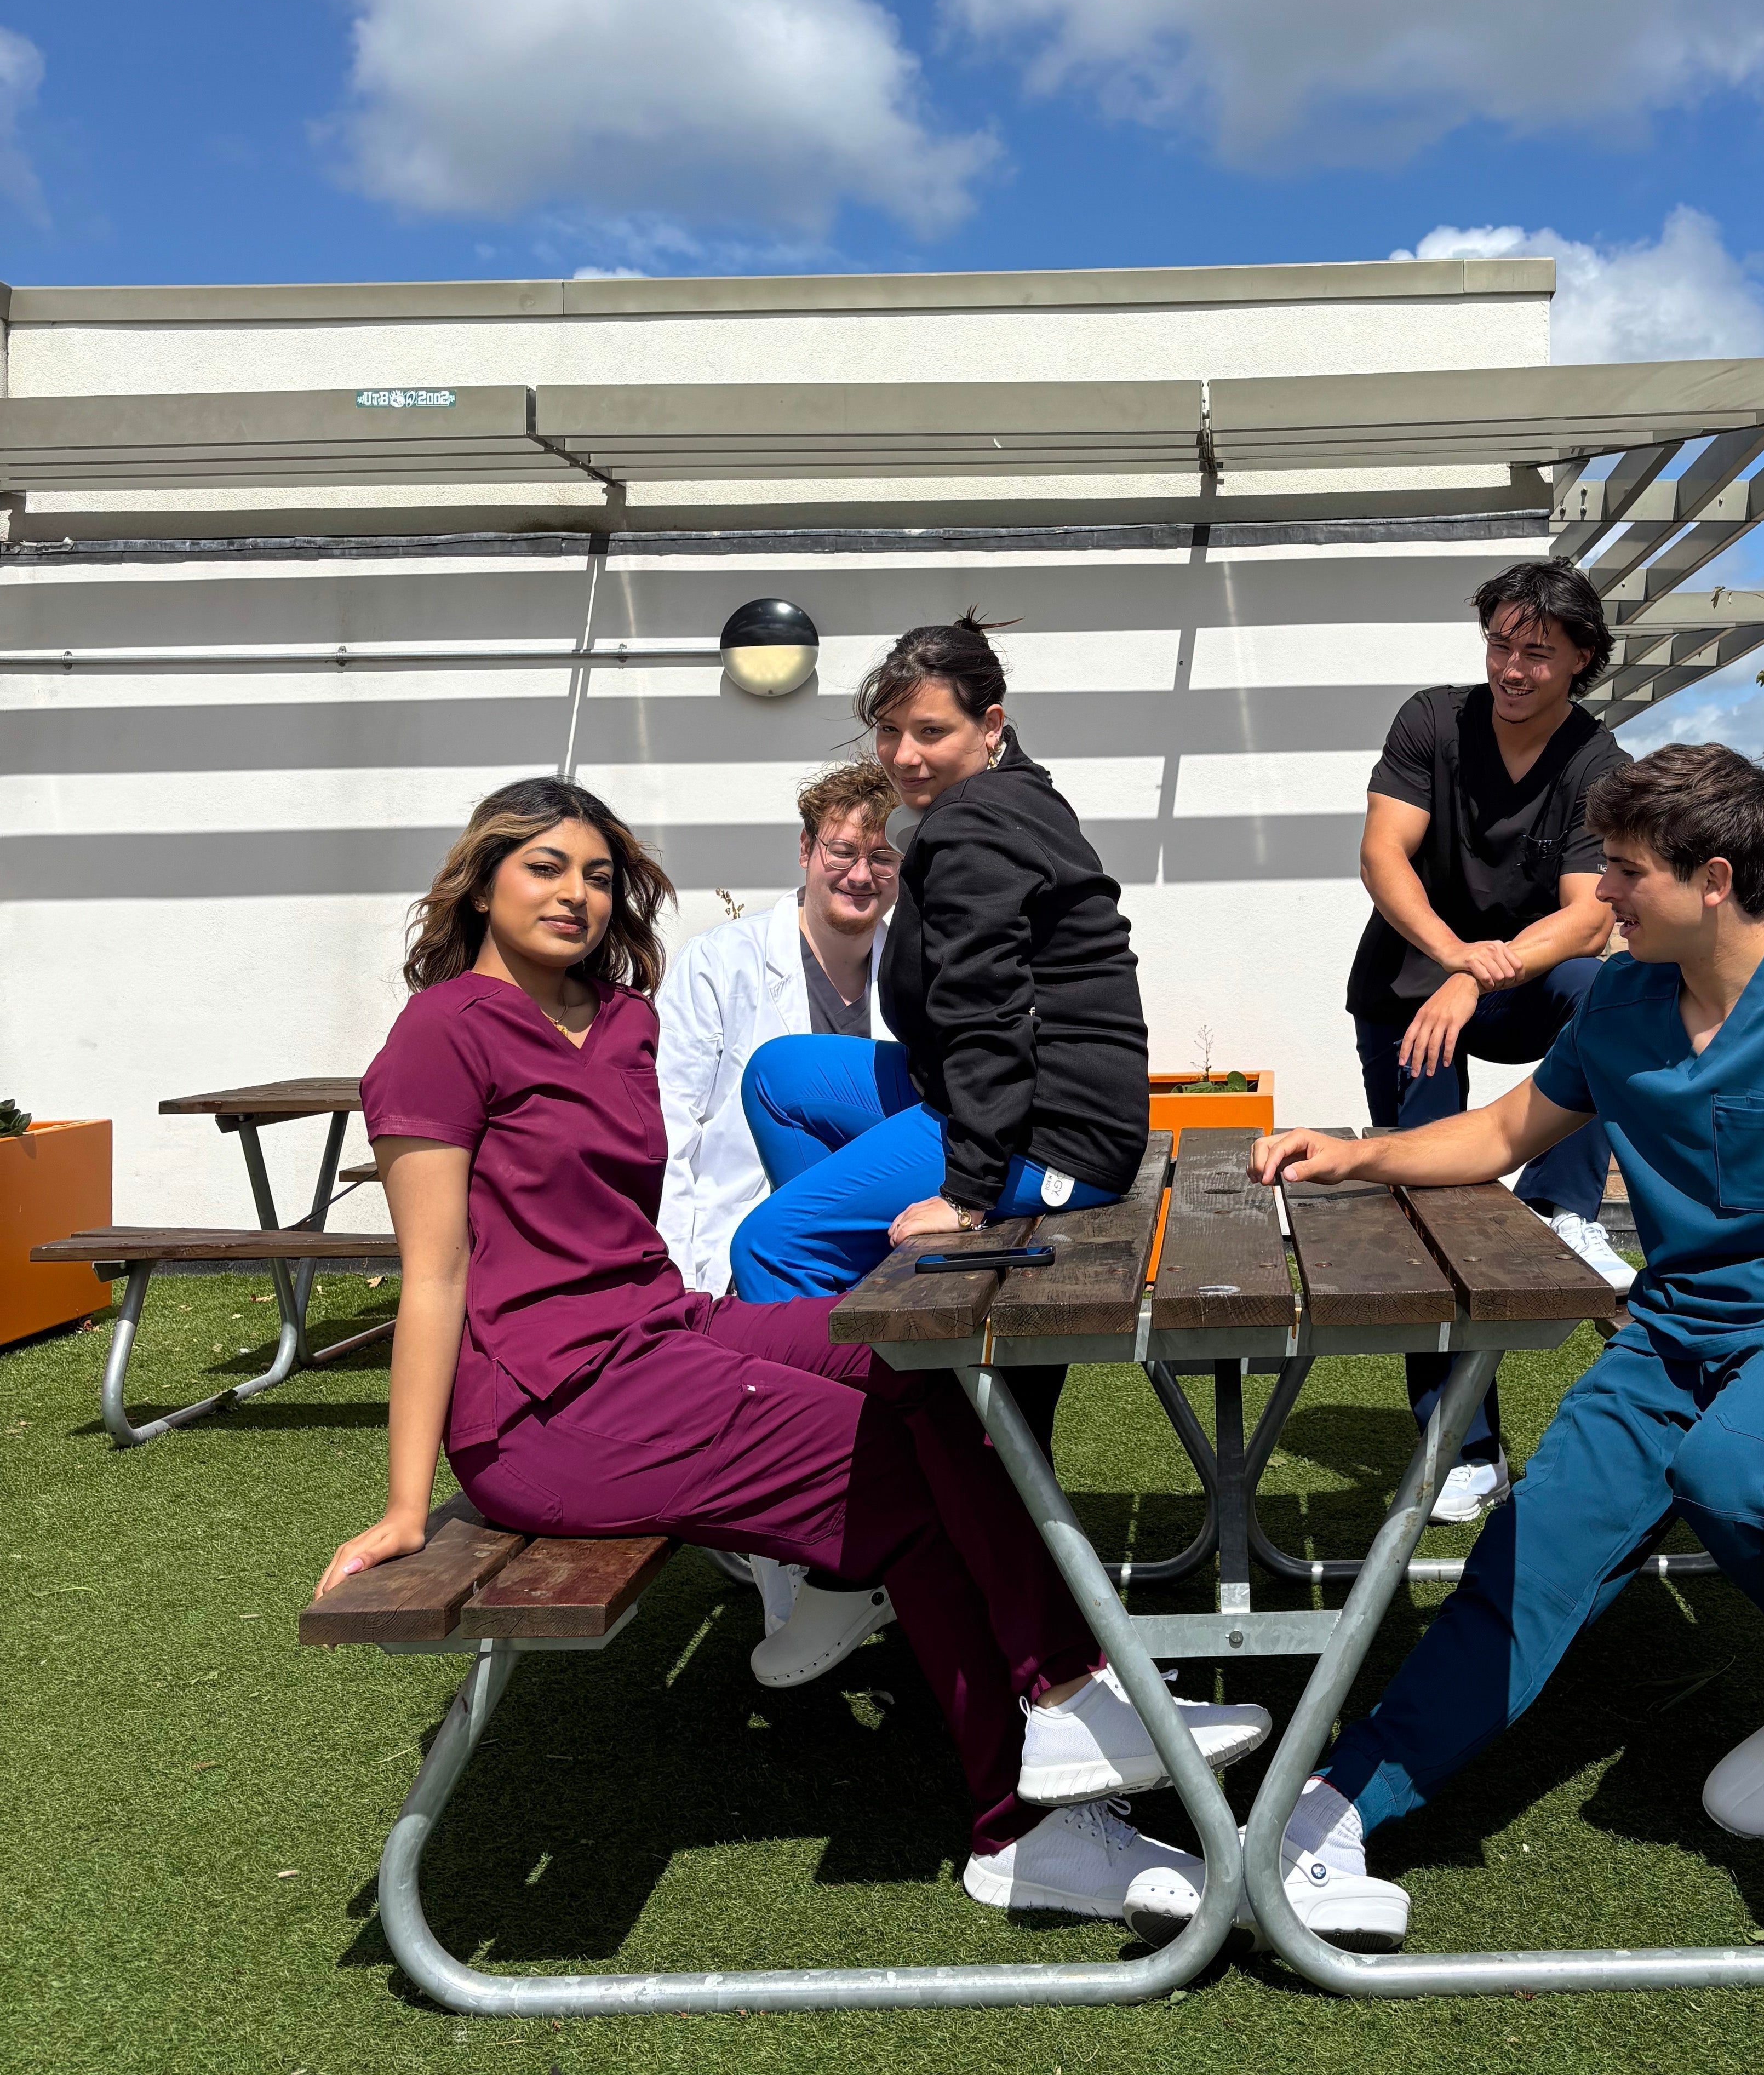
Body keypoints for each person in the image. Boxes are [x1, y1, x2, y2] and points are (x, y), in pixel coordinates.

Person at [312, 775, 1267, 1924]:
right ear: (483, 879)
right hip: (549, 1406)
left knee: (923, 1357)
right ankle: (1036, 1789)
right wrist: (408, 1505)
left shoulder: (618, 1020)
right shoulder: (441, 1034)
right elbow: (435, 1276)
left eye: (600, 874)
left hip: (662, 1329)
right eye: (544, 866)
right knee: (904, 1475)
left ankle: (1058, 1715)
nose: (578, 894)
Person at [1128, 742, 1764, 1951]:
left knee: (1729, 1474)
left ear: (1712, 879)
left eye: (1622, 875)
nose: (1599, 898)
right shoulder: (1623, 1004)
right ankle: (1332, 1812)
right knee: (1521, 1561)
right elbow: (1506, 1131)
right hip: (1674, 1329)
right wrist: (1352, 1152)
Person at [728, 615, 1151, 1454]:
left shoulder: (971, 828)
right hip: (994, 1092)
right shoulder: (1014, 795)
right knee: (781, 1073)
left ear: (989, 725)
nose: (904, 755)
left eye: (932, 732)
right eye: (889, 731)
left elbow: (991, 1019)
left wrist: (966, 1195)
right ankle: (876, 1314)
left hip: (1047, 1136)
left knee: (769, 1243)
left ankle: (867, 1462)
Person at [1347, 557, 1629, 1526]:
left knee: (1610, 989)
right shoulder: (1432, 719)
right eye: (1500, 645)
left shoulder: (1600, 763)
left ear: (1581, 660)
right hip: (1408, 986)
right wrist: (1446, 962)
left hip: (1513, 983)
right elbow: (1384, 854)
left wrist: (1476, 974)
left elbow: (1590, 921)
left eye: (1537, 653)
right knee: (1430, 1205)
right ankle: (1461, 1447)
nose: (1512, 668)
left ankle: (1563, 1209)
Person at [656, 756, 902, 1690]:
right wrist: (679, 1279)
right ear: (805, 853)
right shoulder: (721, 967)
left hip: (880, 1238)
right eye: (843, 851)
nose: (861, 874)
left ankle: (871, 1569)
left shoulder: (913, 964)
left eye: (882, 857)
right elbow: (673, 1131)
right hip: (742, 1241)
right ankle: (812, 1591)